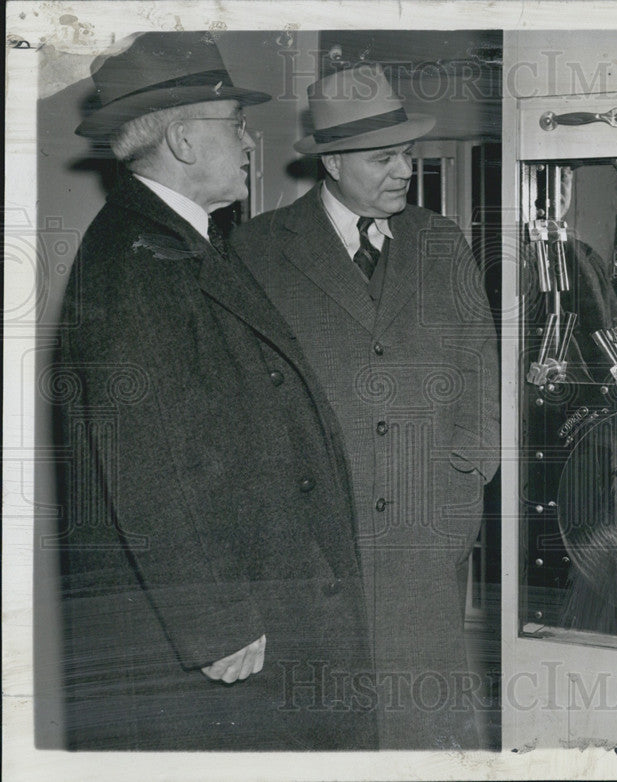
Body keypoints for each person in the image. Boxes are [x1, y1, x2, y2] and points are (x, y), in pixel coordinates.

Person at [54, 32, 376, 750]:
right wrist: (216, 621)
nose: (249, 145)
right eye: (234, 127)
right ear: (183, 141)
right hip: (230, 634)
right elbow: (151, 460)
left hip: (261, 596)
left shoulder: (182, 240)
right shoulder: (137, 265)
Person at [230, 64, 500, 749]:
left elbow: (478, 371)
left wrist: (465, 481)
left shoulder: (442, 244)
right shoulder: (257, 250)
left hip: (425, 541)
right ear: (333, 161)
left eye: (407, 154)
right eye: (385, 158)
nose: (405, 171)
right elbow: (247, 399)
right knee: (332, 729)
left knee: (424, 727)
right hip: (320, 551)